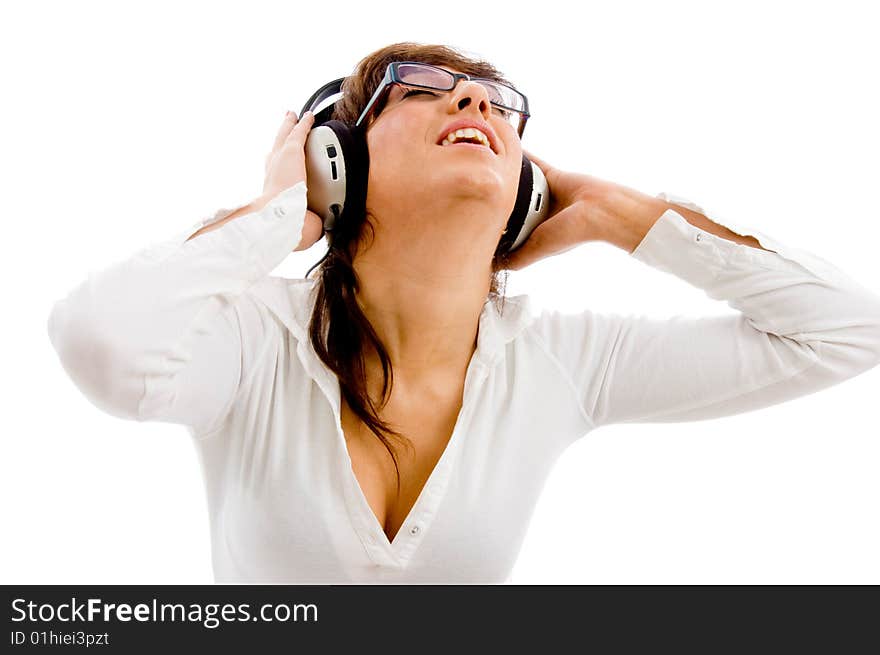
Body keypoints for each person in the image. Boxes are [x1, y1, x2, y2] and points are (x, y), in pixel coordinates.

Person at [47, 42, 880, 584]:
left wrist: (612, 211)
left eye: (494, 102)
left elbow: (851, 329)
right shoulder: (251, 337)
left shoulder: (562, 361)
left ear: (525, 193)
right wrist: (278, 216)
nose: (475, 105)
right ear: (336, 160)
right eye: (425, 91)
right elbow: (100, 339)